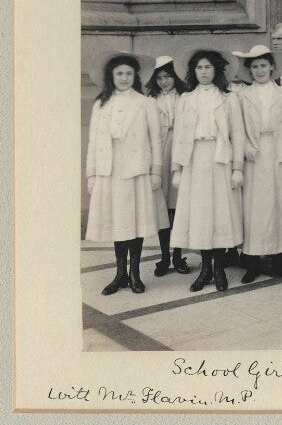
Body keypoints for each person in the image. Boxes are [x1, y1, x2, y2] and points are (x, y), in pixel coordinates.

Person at [85, 51, 167, 295]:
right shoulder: (101, 104)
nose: (124, 78)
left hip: (136, 169)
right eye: (119, 73)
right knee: (118, 223)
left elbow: (156, 140)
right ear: (111, 76)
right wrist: (91, 173)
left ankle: (135, 274)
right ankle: (120, 273)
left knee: (136, 221)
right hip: (109, 170)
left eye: (129, 73)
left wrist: (156, 172)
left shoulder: (145, 103)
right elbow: (92, 142)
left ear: (136, 76)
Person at [169, 47, 245, 292]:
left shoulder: (229, 98)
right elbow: (180, 135)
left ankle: (220, 268)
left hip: (220, 158)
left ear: (216, 70)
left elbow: (238, 135)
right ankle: (205, 270)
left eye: (208, 67)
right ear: (193, 71)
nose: (203, 72)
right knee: (201, 215)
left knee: (220, 213)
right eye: (199, 67)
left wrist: (237, 168)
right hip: (195, 160)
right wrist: (177, 168)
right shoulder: (186, 99)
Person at [232, 45, 282, 283]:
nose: (260, 70)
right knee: (256, 206)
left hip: (279, 151)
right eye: (255, 66)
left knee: (280, 203)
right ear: (249, 70)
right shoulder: (242, 96)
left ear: (272, 67)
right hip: (255, 153)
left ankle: (278, 258)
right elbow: (238, 129)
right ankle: (253, 260)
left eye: (263, 65)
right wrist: (245, 150)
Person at [144, 56, 191, 277]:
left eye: (168, 76)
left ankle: (177, 255)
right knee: (163, 207)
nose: (164, 82)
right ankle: (164, 256)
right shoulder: (150, 101)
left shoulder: (185, 97)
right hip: (160, 153)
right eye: (160, 78)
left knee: (178, 206)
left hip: (180, 152)